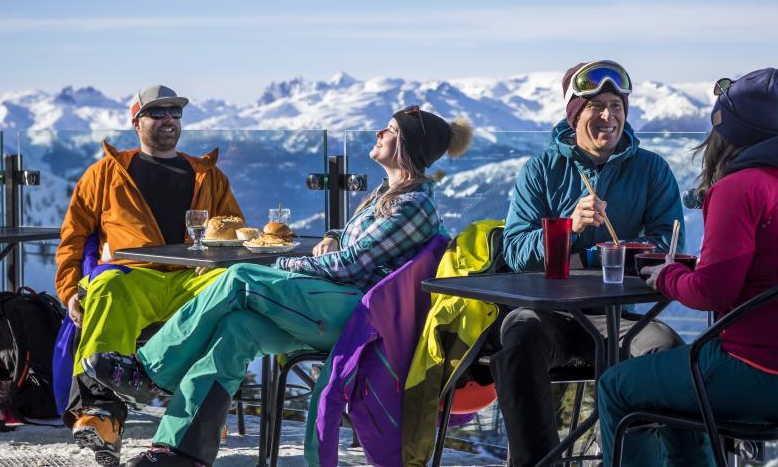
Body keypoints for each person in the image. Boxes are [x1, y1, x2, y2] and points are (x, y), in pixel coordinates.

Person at [82, 106, 473, 467]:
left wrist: (281, 261)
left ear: (406, 146)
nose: (377, 133)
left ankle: (150, 371)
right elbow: (354, 241)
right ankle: (180, 450)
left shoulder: (413, 204)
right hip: (336, 304)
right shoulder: (388, 196)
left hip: (356, 315)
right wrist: (335, 235)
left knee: (239, 279)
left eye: (387, 131)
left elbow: (352, 266)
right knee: (235, 330)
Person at [597, 68, 778, 465]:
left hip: (760, 375)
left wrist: (668, 275)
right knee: (677, 393)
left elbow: (713, 291)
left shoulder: (739, 187)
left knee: (616, 387)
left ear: (724, 132)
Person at [496, 60, 688, 466]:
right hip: (548, 314)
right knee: (518, 341)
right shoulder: (541, 170)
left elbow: (668, 247)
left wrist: (596, 256)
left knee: (666, 350)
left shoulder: (651, 170)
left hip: (616, 319)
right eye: (596, 106)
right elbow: (514, 252)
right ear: (574, 114)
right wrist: (566, 230)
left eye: (616, 106)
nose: (608, 116)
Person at [55, 85, 242, 466]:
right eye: (158, 113)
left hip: (192, 275)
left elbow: (233, 229)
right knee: (107, 286)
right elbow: (73, 236)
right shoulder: (106, 172)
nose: (169, 120)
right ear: (136, 122)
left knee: (233, 288)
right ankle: (101, 417)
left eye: (175, 113)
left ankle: (199, 411)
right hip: (134, 276)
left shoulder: (208, 175)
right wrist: (70, 289)